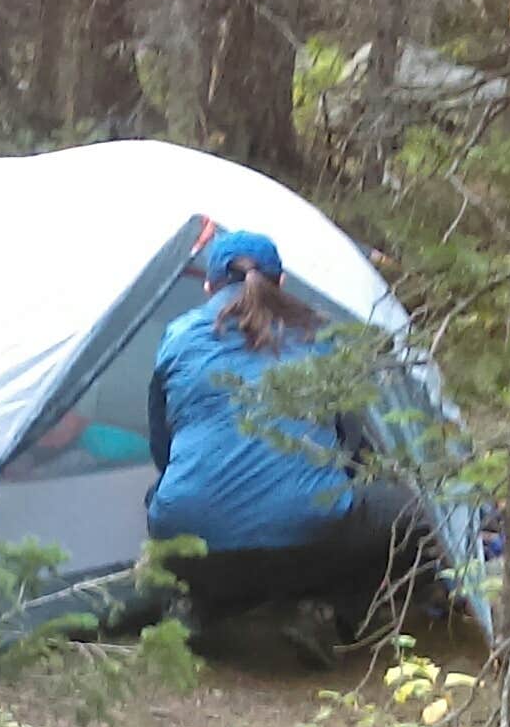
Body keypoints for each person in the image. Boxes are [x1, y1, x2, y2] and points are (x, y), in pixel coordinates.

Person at [144, 229, 439, 665]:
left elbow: (162, 448)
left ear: (207, 285)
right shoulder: (316, 335)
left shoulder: (177, 337)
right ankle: (325, 610)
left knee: (164, 497)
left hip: (196, 544)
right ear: (281, 283)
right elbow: (351, 448)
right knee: (417, 514)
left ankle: (195, 605)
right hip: (306, 540)